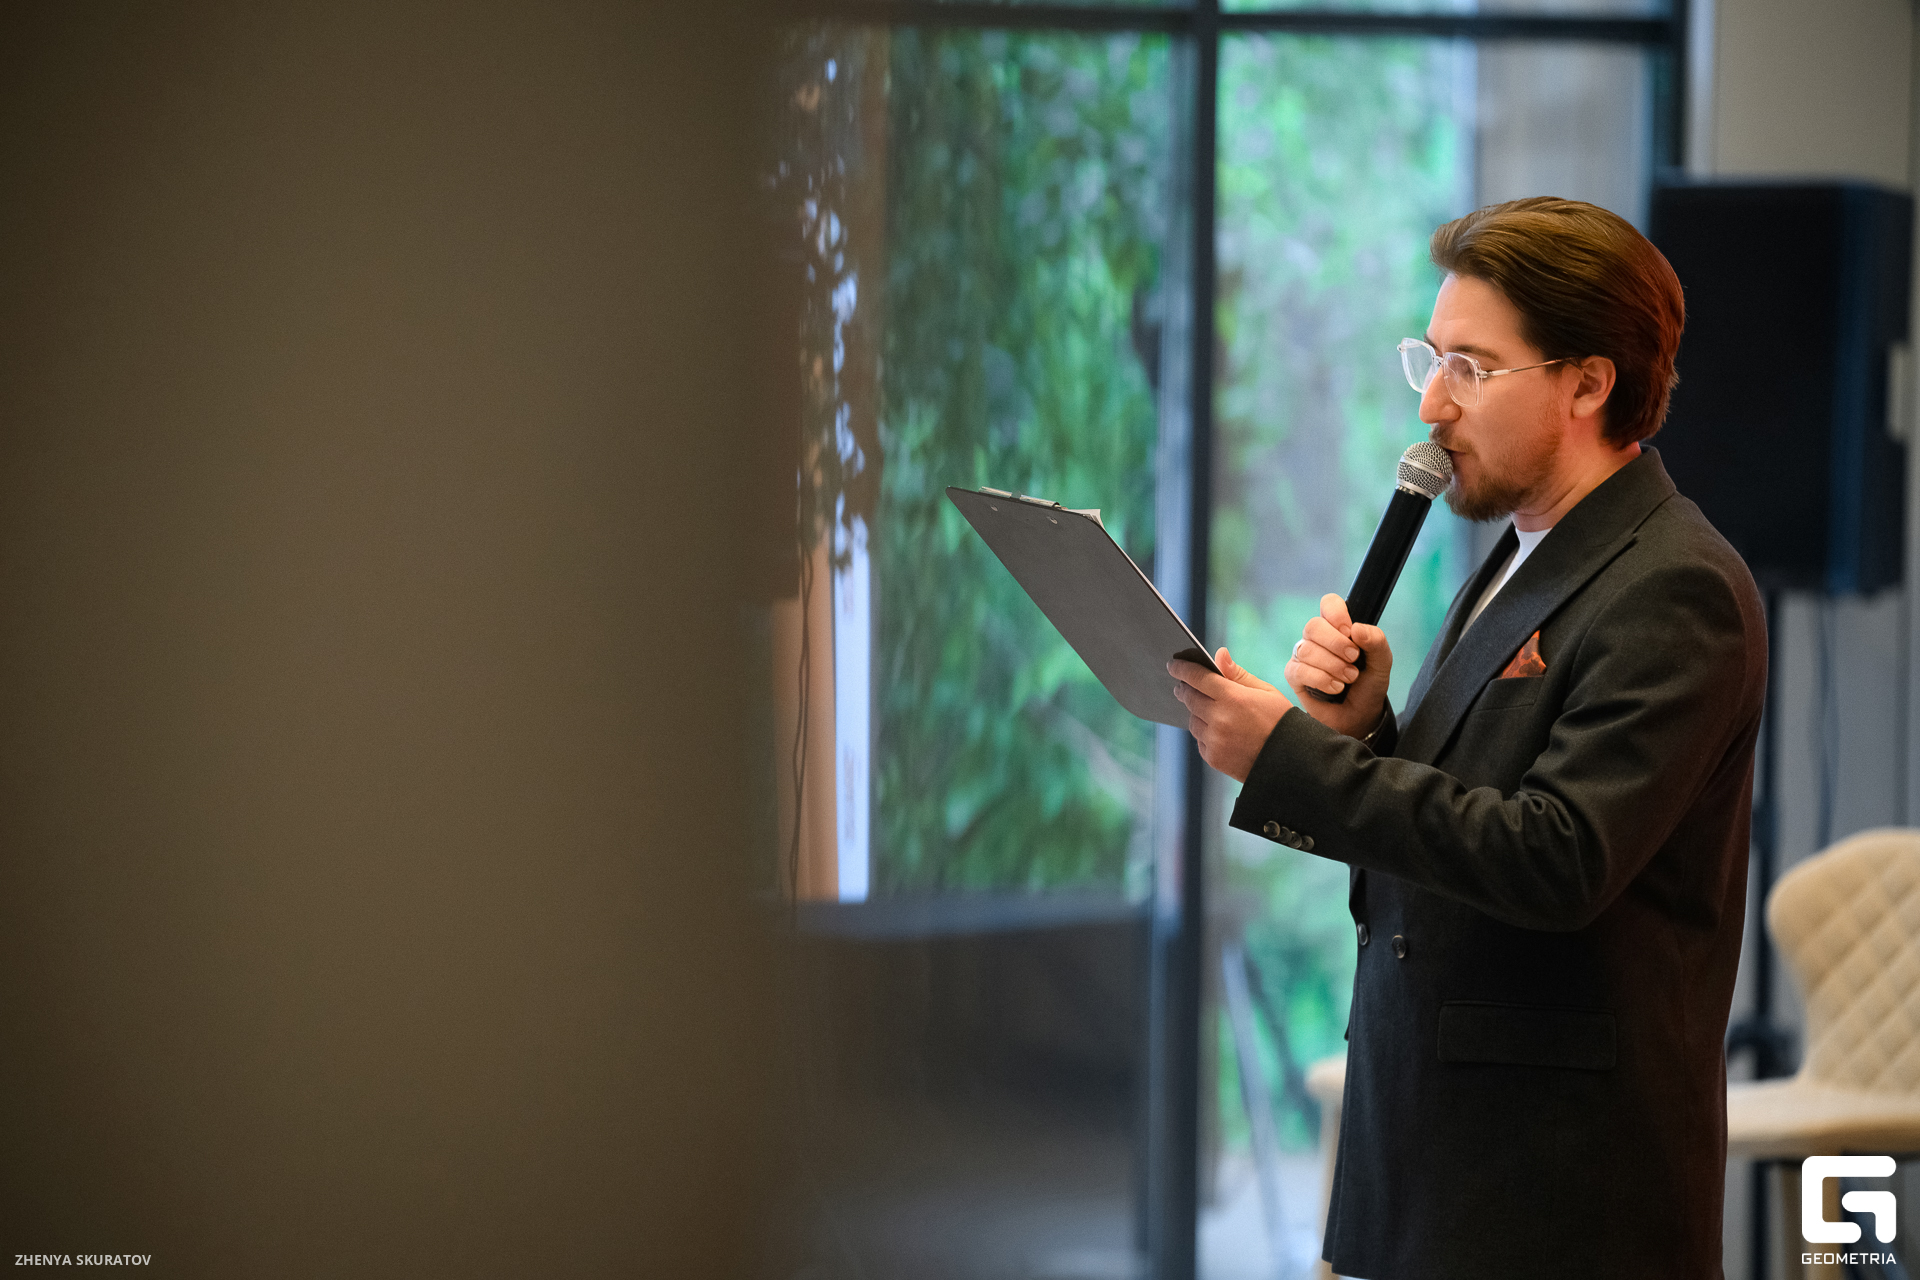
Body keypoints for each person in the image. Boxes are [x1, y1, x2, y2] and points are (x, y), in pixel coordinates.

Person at [1169, 197, 1765, 1279]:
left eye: (1471, 369)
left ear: (1588, 383)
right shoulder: (1526, 549)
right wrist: (1368, 731)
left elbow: (1555, 857)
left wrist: (1292, 760)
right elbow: (1475, 807)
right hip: (1439, 1159)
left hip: (1558, 1194)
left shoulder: (1678, 585)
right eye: (1430, 358)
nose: (1432, 404)